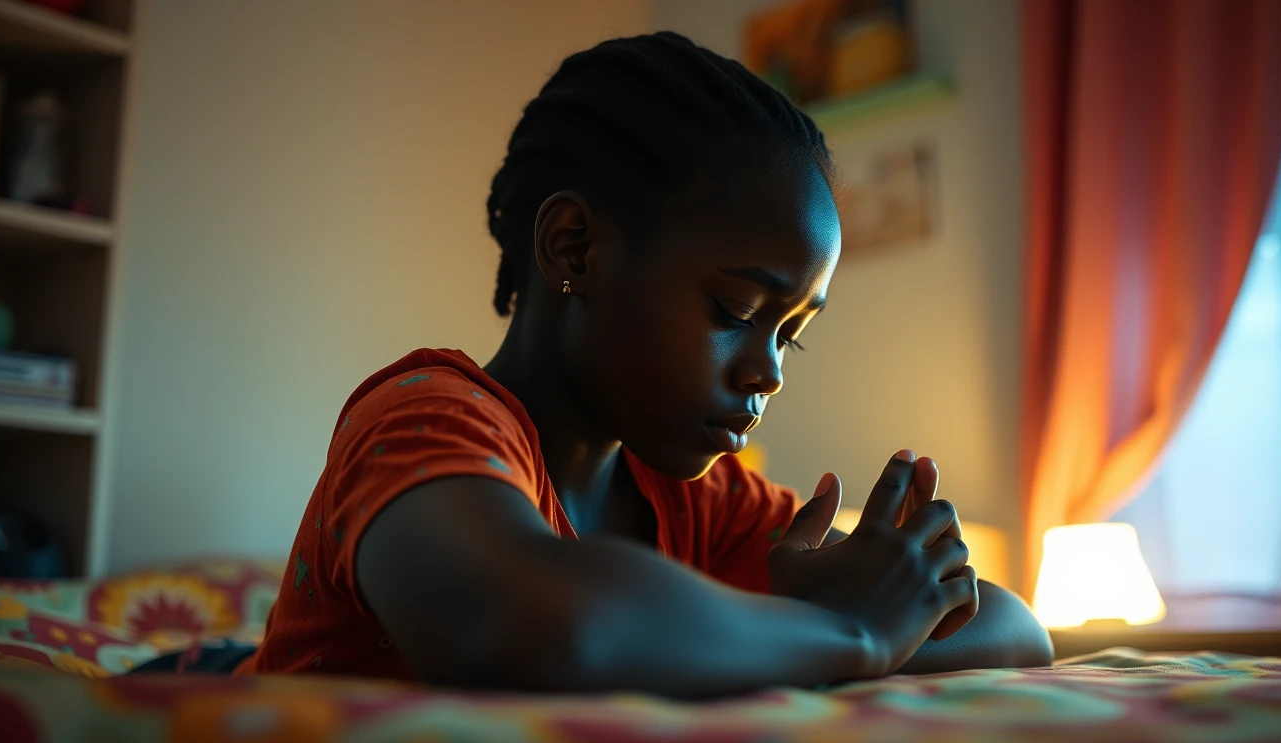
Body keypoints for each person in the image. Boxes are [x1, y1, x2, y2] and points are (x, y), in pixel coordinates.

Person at [233, 32, 1052, 695]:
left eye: (790, 332)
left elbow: (1017, 628)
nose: (767, 373)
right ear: (575, 247)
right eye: (735, 313)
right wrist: (854, 631)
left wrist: (864, 605)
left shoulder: (700, 501)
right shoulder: (426, 416)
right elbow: (521, 626)